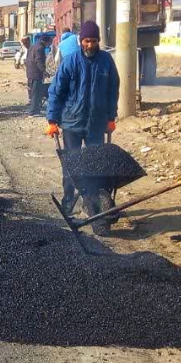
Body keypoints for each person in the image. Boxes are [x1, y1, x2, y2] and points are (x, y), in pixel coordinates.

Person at [46, 20, 120, 228]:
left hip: (96, 124)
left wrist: (110, 118)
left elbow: (113, 91)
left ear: (98, 41)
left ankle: (94, 205)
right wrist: (52, 120)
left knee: (96, 167)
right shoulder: (70, 62)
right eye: (87, 40)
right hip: (71, 123)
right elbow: (56, 91)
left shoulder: (106, 61)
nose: (90, 44)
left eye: (94, 41)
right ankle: (68, 206)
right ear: (81, 40)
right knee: (72, 167)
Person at [26, 35, 48, 116]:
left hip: (30, 73)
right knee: (36, 93)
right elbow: (38, 61)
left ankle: (35, 109)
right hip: (36, 74)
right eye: (49, 43)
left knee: (34, 93)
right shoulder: (40, 48)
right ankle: (33, 111)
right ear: (46, 42)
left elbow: (27, 59)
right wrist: (44, 71)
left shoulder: (32, 47)